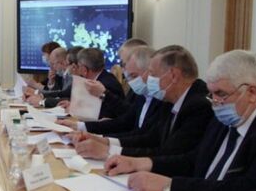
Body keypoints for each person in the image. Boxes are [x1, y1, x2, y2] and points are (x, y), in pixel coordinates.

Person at [105, 50, 256, 191]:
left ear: (252, 93)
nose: (214, 102)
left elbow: (244, 190)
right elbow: (196, 159)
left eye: (220, 93)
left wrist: (169, 187)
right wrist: (141, 163)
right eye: (211, 94)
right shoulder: (231, 110)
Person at [73, 45, 213, 159]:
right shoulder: (169, 99)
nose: (148, 79)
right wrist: (104, 141)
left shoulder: (198, 106)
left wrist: (109, 150)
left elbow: (171, 153)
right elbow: (149, 137)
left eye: (153, 74)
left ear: (173, 75)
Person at [64, 46, 162, 136]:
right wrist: (81, 126)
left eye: (133, 75)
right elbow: (127, 120)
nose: (123, 70)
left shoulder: (108, 83)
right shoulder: (142, 95)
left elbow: (138, 133)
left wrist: (103, 140)